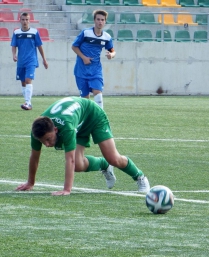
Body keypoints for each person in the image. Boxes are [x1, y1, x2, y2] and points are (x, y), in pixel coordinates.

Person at [16, 96, 150, 196]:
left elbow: (70, 159)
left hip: (93, 115)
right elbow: (34, 156)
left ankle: (140, 176)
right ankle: (104, 165)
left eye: (48, 139)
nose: (46, 144)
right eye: (42, 141)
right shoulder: (37, 131)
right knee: (79, 166)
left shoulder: (66, 128)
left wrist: (66, 190)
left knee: (113, 158)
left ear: (55, 130)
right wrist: (30, 182)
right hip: (78, 122)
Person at [71, 10, 116, 109]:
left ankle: (100, 117)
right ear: (94, 20)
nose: (100, 22)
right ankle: (86, 120)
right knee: (85, 99)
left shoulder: (107, 37)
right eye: (98, 19)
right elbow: (74, 46)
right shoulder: (86, 33)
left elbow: (113, 51)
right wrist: (84, 58)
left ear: (105, 22)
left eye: (102, 20)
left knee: (97, 92)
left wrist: (111, 55)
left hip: (96, 70)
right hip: (81, 70)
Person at [11, 12, 48, 111]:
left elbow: (39, 46)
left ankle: (28, 103)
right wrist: (14, 55)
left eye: (27, 19)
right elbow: (13, 45)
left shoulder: (34, 32)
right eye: (23, 19)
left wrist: (44, 59)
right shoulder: (16, 33)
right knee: (23, 82)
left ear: (29, 20)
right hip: (21, 61)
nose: (25, 22)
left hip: (31, 60)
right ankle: (26, 101)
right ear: (20, 20)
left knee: (28, 80)